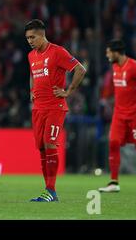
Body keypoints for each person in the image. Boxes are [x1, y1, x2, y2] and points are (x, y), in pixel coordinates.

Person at [25, 19, 86, 202]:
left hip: (55, 106)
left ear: (42, 35)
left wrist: (68, 91)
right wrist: (31, 91)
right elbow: (32, 74)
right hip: (38, 108)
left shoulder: (57, 52)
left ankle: (51, 190)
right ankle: (48, 190)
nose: (30, 41)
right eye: (27, 38)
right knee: (42, 148)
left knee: (50, 143)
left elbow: (80, 69)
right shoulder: (31, 55)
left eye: (33, 37)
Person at [99, 39, 136, 194]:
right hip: (119, 114)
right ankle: (114, 182)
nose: (107, 55)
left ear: (116, 52)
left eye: (108, 52)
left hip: (135, 115)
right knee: (113, 143)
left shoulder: (134, 67)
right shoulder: (115, 66)